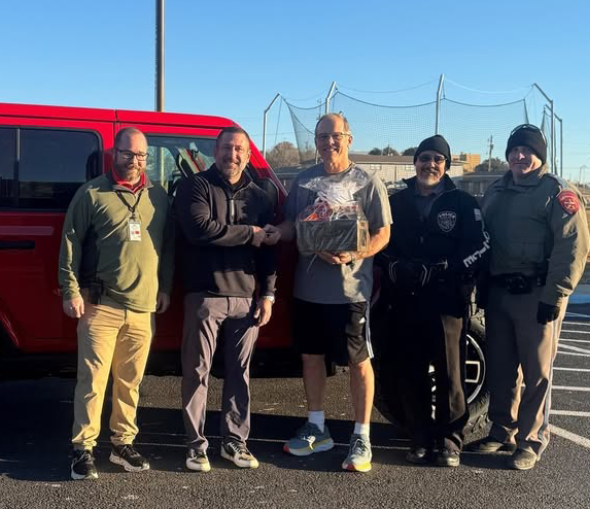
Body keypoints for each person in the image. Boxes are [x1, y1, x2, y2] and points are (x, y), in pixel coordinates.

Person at [466, 124, 590, 470]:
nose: (519, 156)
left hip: (538, 294)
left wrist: (555, 294)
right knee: (503, 367)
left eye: (527, 151)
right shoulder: (496, 190)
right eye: (514, 150)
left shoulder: (557, 193)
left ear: (540, 156)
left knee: (536, 371)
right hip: (501, 292)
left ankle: (532, 440)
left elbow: (574, 247)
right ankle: (501, 431)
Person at [276, 113, 391, 473]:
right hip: (309, 290)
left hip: (350, 291)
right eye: (322, 136)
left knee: (359, 362)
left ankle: (361, 435)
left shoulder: (368, 181)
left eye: (335, 136)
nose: (329, 142)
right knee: (311, 358)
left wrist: (355, 252)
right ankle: (316, 427)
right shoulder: (305, 181)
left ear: (349, 138)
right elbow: (293, 226)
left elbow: (383, 233)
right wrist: (271, 232)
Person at [59, 127, 174, 480]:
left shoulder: (159, 196)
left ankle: (123, 444)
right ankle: (83, 449)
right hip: (101, 304)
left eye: (142, 156)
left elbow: (166, 246)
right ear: (114, 152)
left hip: (143, 308)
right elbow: (70, 243)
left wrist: (164, 287)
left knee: (130, 382)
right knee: (92, 381)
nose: (136, 162)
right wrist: (70, 290)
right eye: (128, 154)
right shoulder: (92, 193)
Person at [378, 135, 489, 467]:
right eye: (425, 158)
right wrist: (392, 264)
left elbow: (480, 247)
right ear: (415, 162)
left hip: (446, 300)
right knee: (409, 371)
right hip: (405, 299)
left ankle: (451, 441)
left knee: (449, 373)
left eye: (438, 160)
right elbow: (379, 240)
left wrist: (446, 269)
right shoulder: (396, 202)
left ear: (447, 165)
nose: (430, 164)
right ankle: (420, 438)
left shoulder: (462, 202)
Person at [175, 126, 279, 473]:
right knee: (196, 371)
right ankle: (196, 446)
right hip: (205, 295)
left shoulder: (261, 196)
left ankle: (235, 442)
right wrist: (249, 233)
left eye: (238, 150)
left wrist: (268, 294)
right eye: (225, 148)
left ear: (247, 155)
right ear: (214, 151)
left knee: (240, 374)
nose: (231, 155)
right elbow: (201, 230)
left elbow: (269, 251)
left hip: (247, 298)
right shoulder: (195, 186)